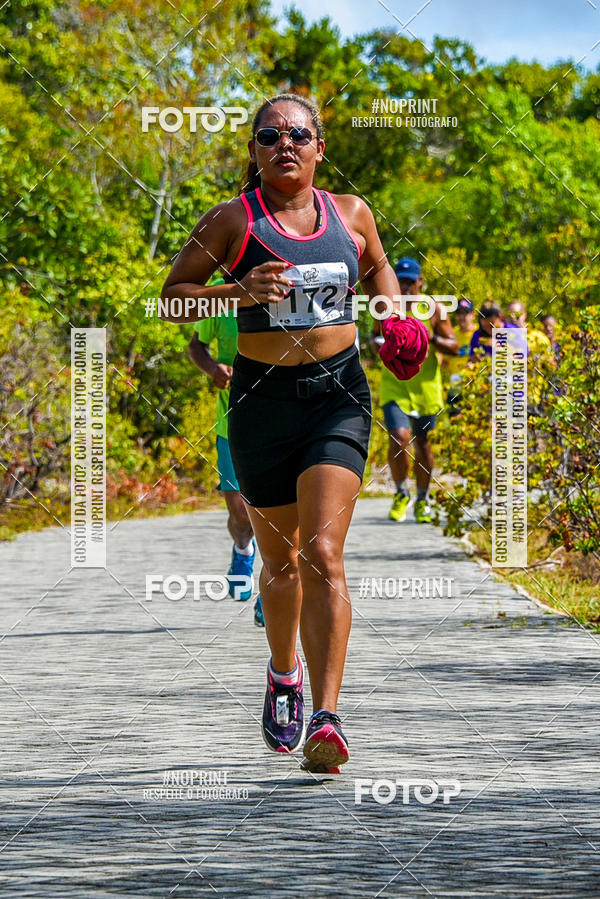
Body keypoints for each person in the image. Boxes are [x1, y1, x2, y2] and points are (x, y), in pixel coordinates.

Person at [160, 93, 406, 773]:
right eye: (269, 135)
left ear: (320, 147)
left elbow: (377, 264)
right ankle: (283, 671)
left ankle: (327, 717)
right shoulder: (233, 220)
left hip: (337, 396)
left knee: (326, 552)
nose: (284, 144)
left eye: (298, 134)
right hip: (261, 404)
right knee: (282, 562)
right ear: (254, 150)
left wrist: (396, 316)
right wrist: (236, 292)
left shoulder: (350, 214)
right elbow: (171, 297)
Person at [189, 305, 264, 627]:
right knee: (241, 515)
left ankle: (271, 595)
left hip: (284, 422)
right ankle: (243, 550)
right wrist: (213, 368)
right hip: (231, 425)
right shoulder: (219, 296)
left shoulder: (288, 287)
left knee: (282, 519)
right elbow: (196, 344)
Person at [370, 257, 458, 524]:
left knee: (423, 442)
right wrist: (381, 346)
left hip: (426, 387)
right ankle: (400, 494)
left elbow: (454, 346)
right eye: (401, 281)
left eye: (410, 281)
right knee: (398, 437)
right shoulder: (386, 307)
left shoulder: (433, 308)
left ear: (420, 281)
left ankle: (422, 498)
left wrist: (427, 336)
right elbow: (374, 337)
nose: (406, 286)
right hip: (395, 383)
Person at [444, 297, 477, 415]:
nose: (461, 317)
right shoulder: (451, 334)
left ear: (472, 315)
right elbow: (444, 362)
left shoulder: (479, 334)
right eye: (459, 313)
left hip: (475, 388)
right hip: (455, 389)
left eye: (465, 313)